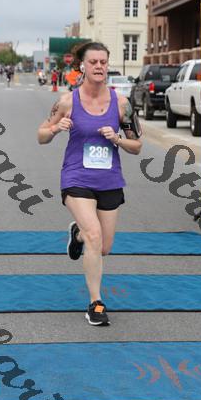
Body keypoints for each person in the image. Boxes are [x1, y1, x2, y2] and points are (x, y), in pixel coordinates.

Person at [37, 41, 143, 326]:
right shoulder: (67, 101)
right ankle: (96, 303)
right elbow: (41, 135)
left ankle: (78, 235)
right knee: (95, 235)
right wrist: (55, 128)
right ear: (82, 66)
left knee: (103, 246)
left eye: (103, 62)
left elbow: (137, 146)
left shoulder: (121, 104)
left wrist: (117, 139)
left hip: (109, 180)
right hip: (76, 177)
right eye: (93, 62)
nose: (99, 66)